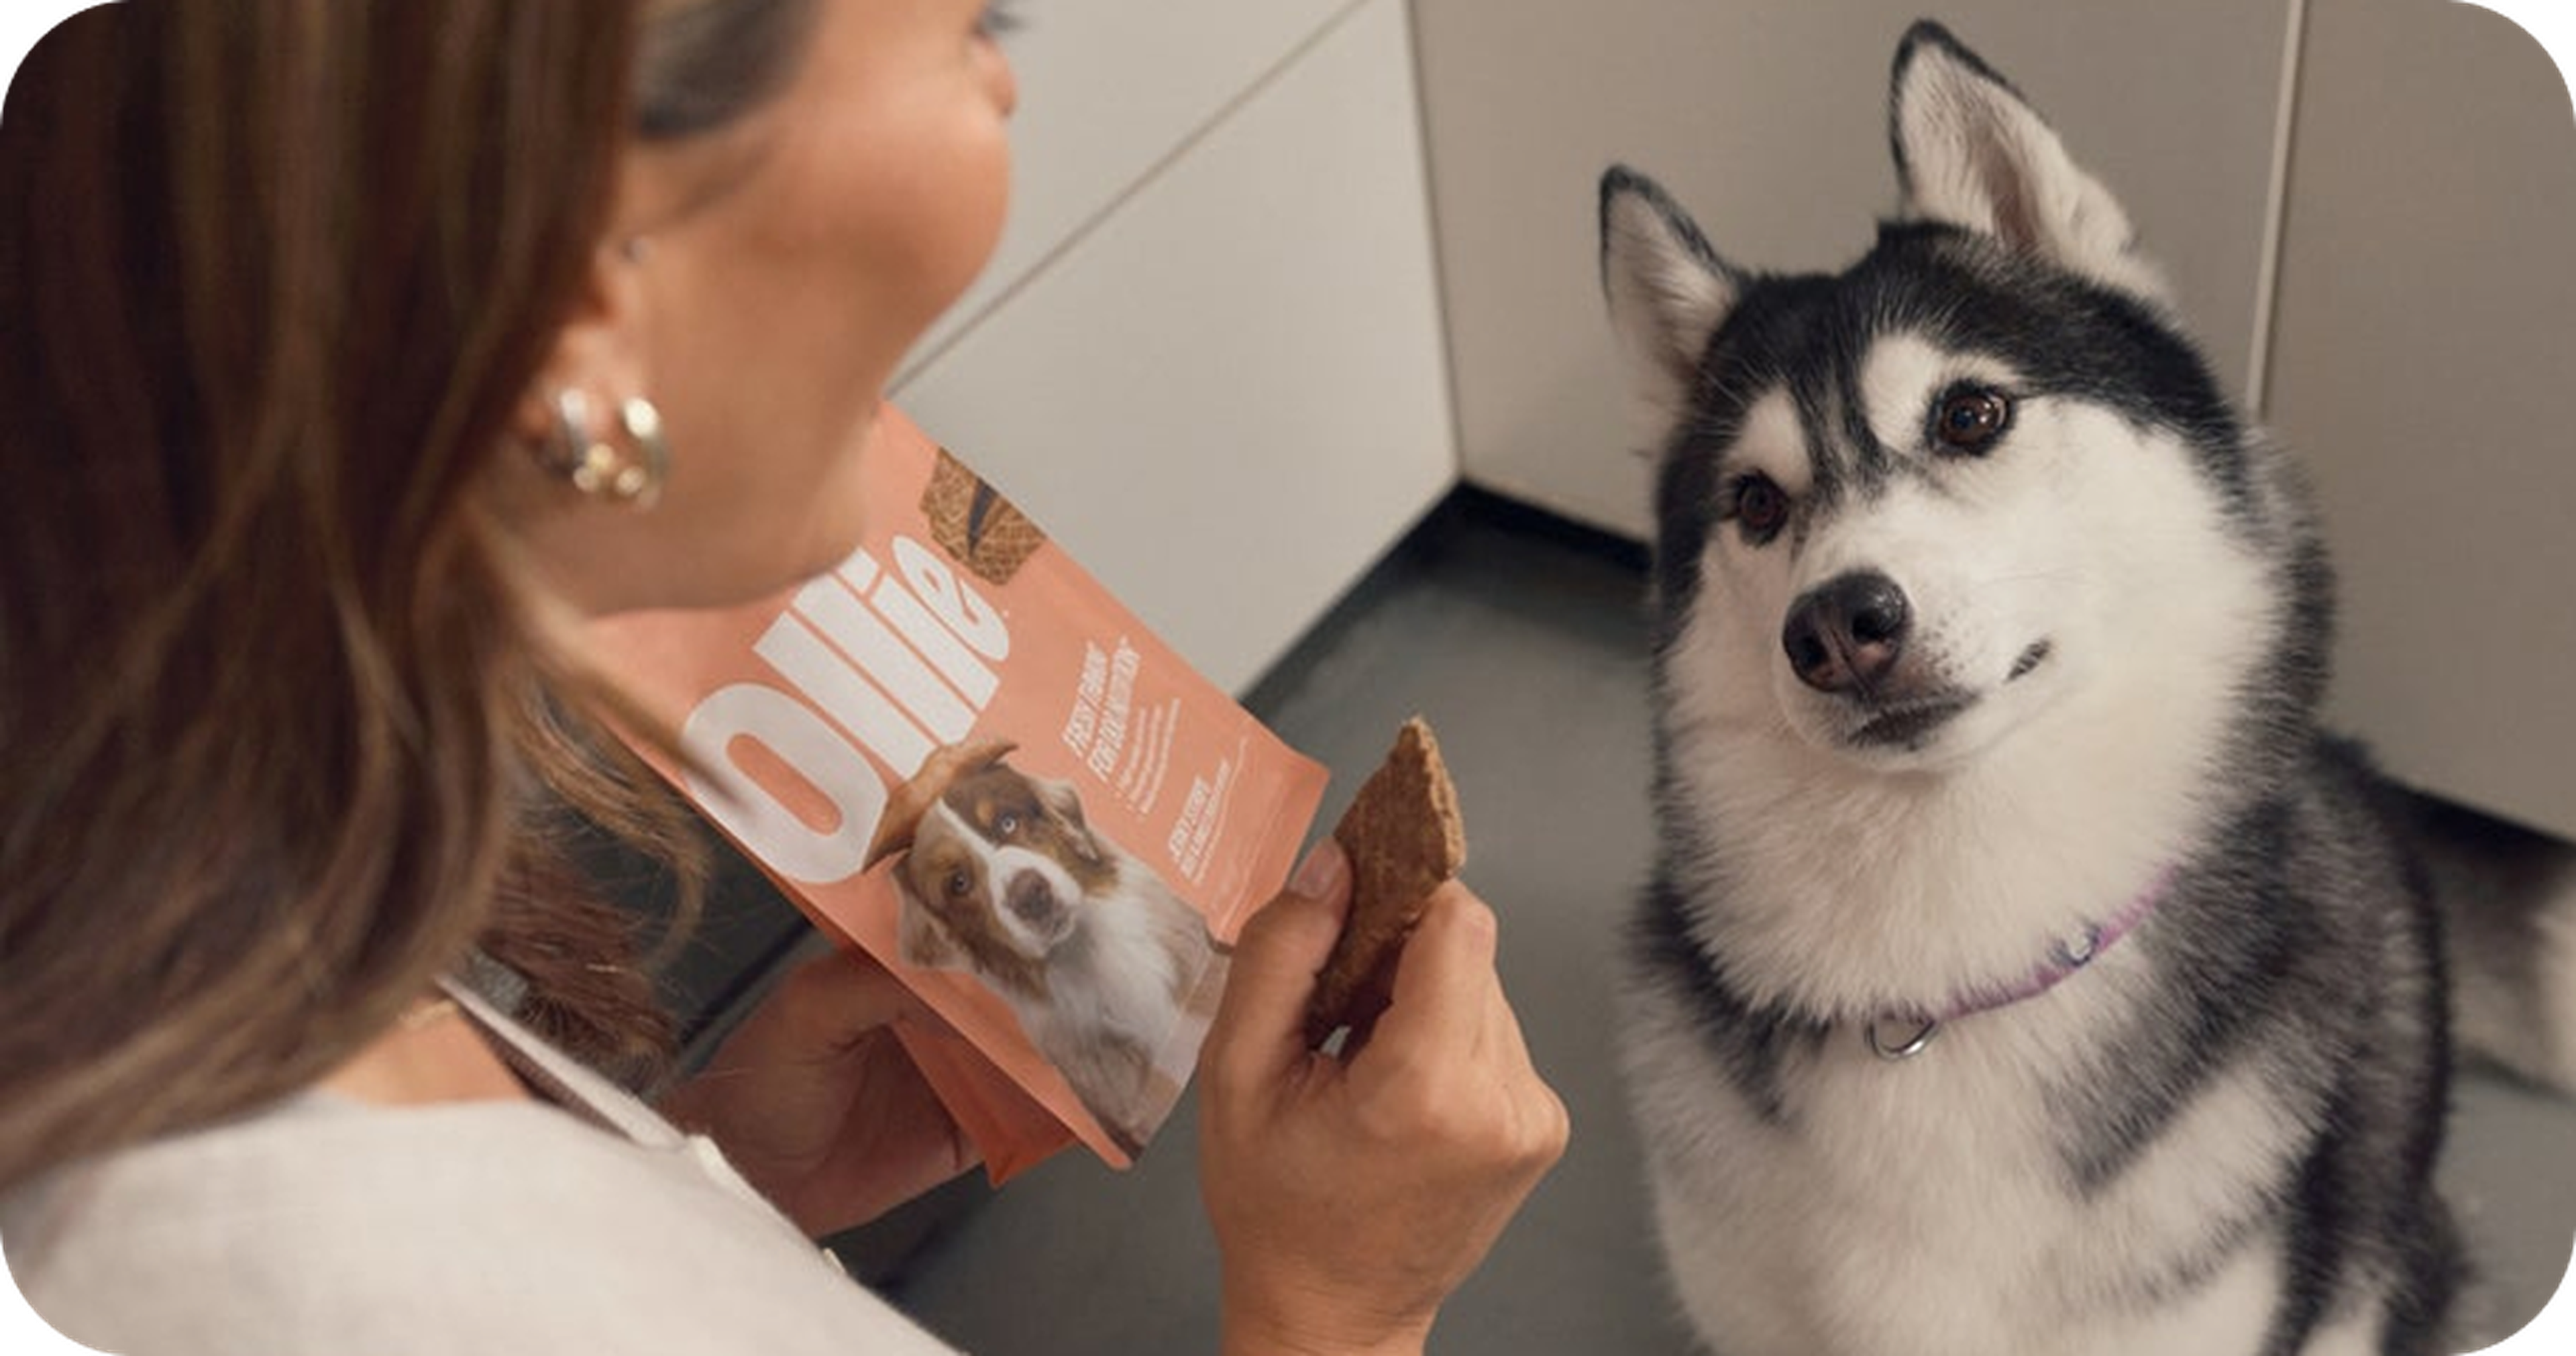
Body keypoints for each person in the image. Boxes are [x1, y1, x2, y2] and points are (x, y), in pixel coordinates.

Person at [0, 3, 1568, 1353]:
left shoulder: (209, 903)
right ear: (586, 297)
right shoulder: (270, 1274)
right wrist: (1337, 1307)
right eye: (976, 24)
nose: (1005, 91)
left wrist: (708, 1183)